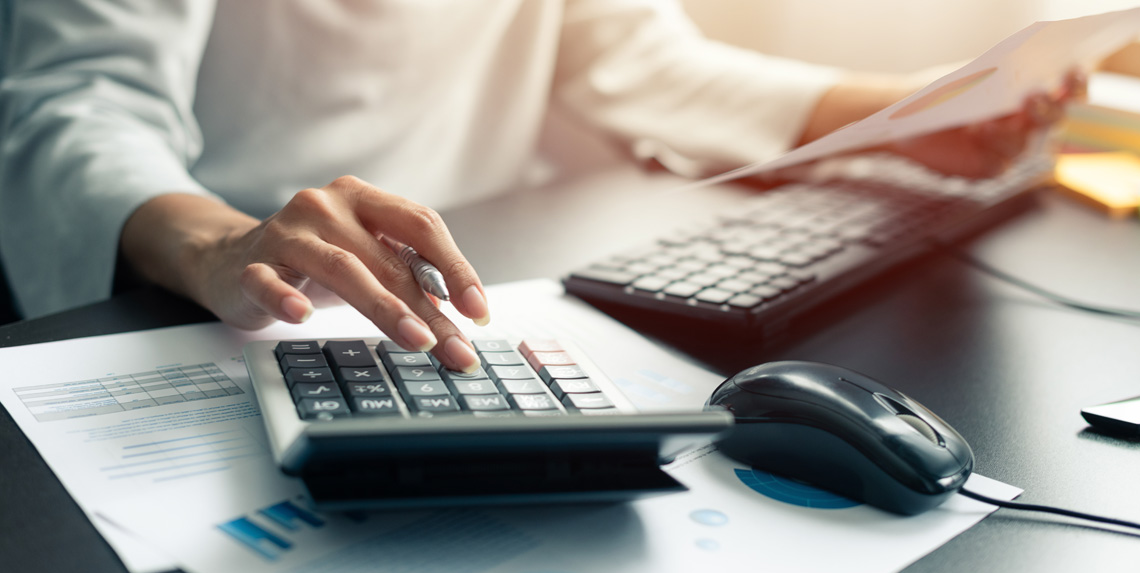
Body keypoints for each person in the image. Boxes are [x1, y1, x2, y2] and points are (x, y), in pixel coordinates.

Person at [0, 0, 1071, 372]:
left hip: (502, 278)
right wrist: (218, 245)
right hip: (248, 297)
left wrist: (910, 115)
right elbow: (78, 105)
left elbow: (637, 56)